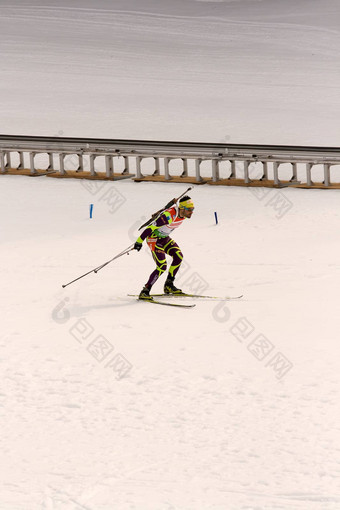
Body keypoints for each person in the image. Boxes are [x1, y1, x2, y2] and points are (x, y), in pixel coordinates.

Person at [134, 196, 195, 300]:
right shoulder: (169, 216)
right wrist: (139, 242)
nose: (191, 212)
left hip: (164, 238)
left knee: (178, 257)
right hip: (154, 239)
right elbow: (150, 228)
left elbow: (168, 208)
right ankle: (145, 291)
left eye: (193, 209)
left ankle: (169, 285)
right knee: (162, 266)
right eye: (189, 209)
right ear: (182, 208)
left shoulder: (182, 214)